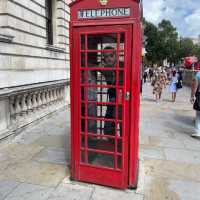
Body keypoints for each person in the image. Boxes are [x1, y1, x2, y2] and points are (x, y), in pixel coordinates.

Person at [190, 71, 200, 137]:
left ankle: (198, 131)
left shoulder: (199, 73)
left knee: (198, 114)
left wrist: (192, 96)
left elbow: (194, 85)